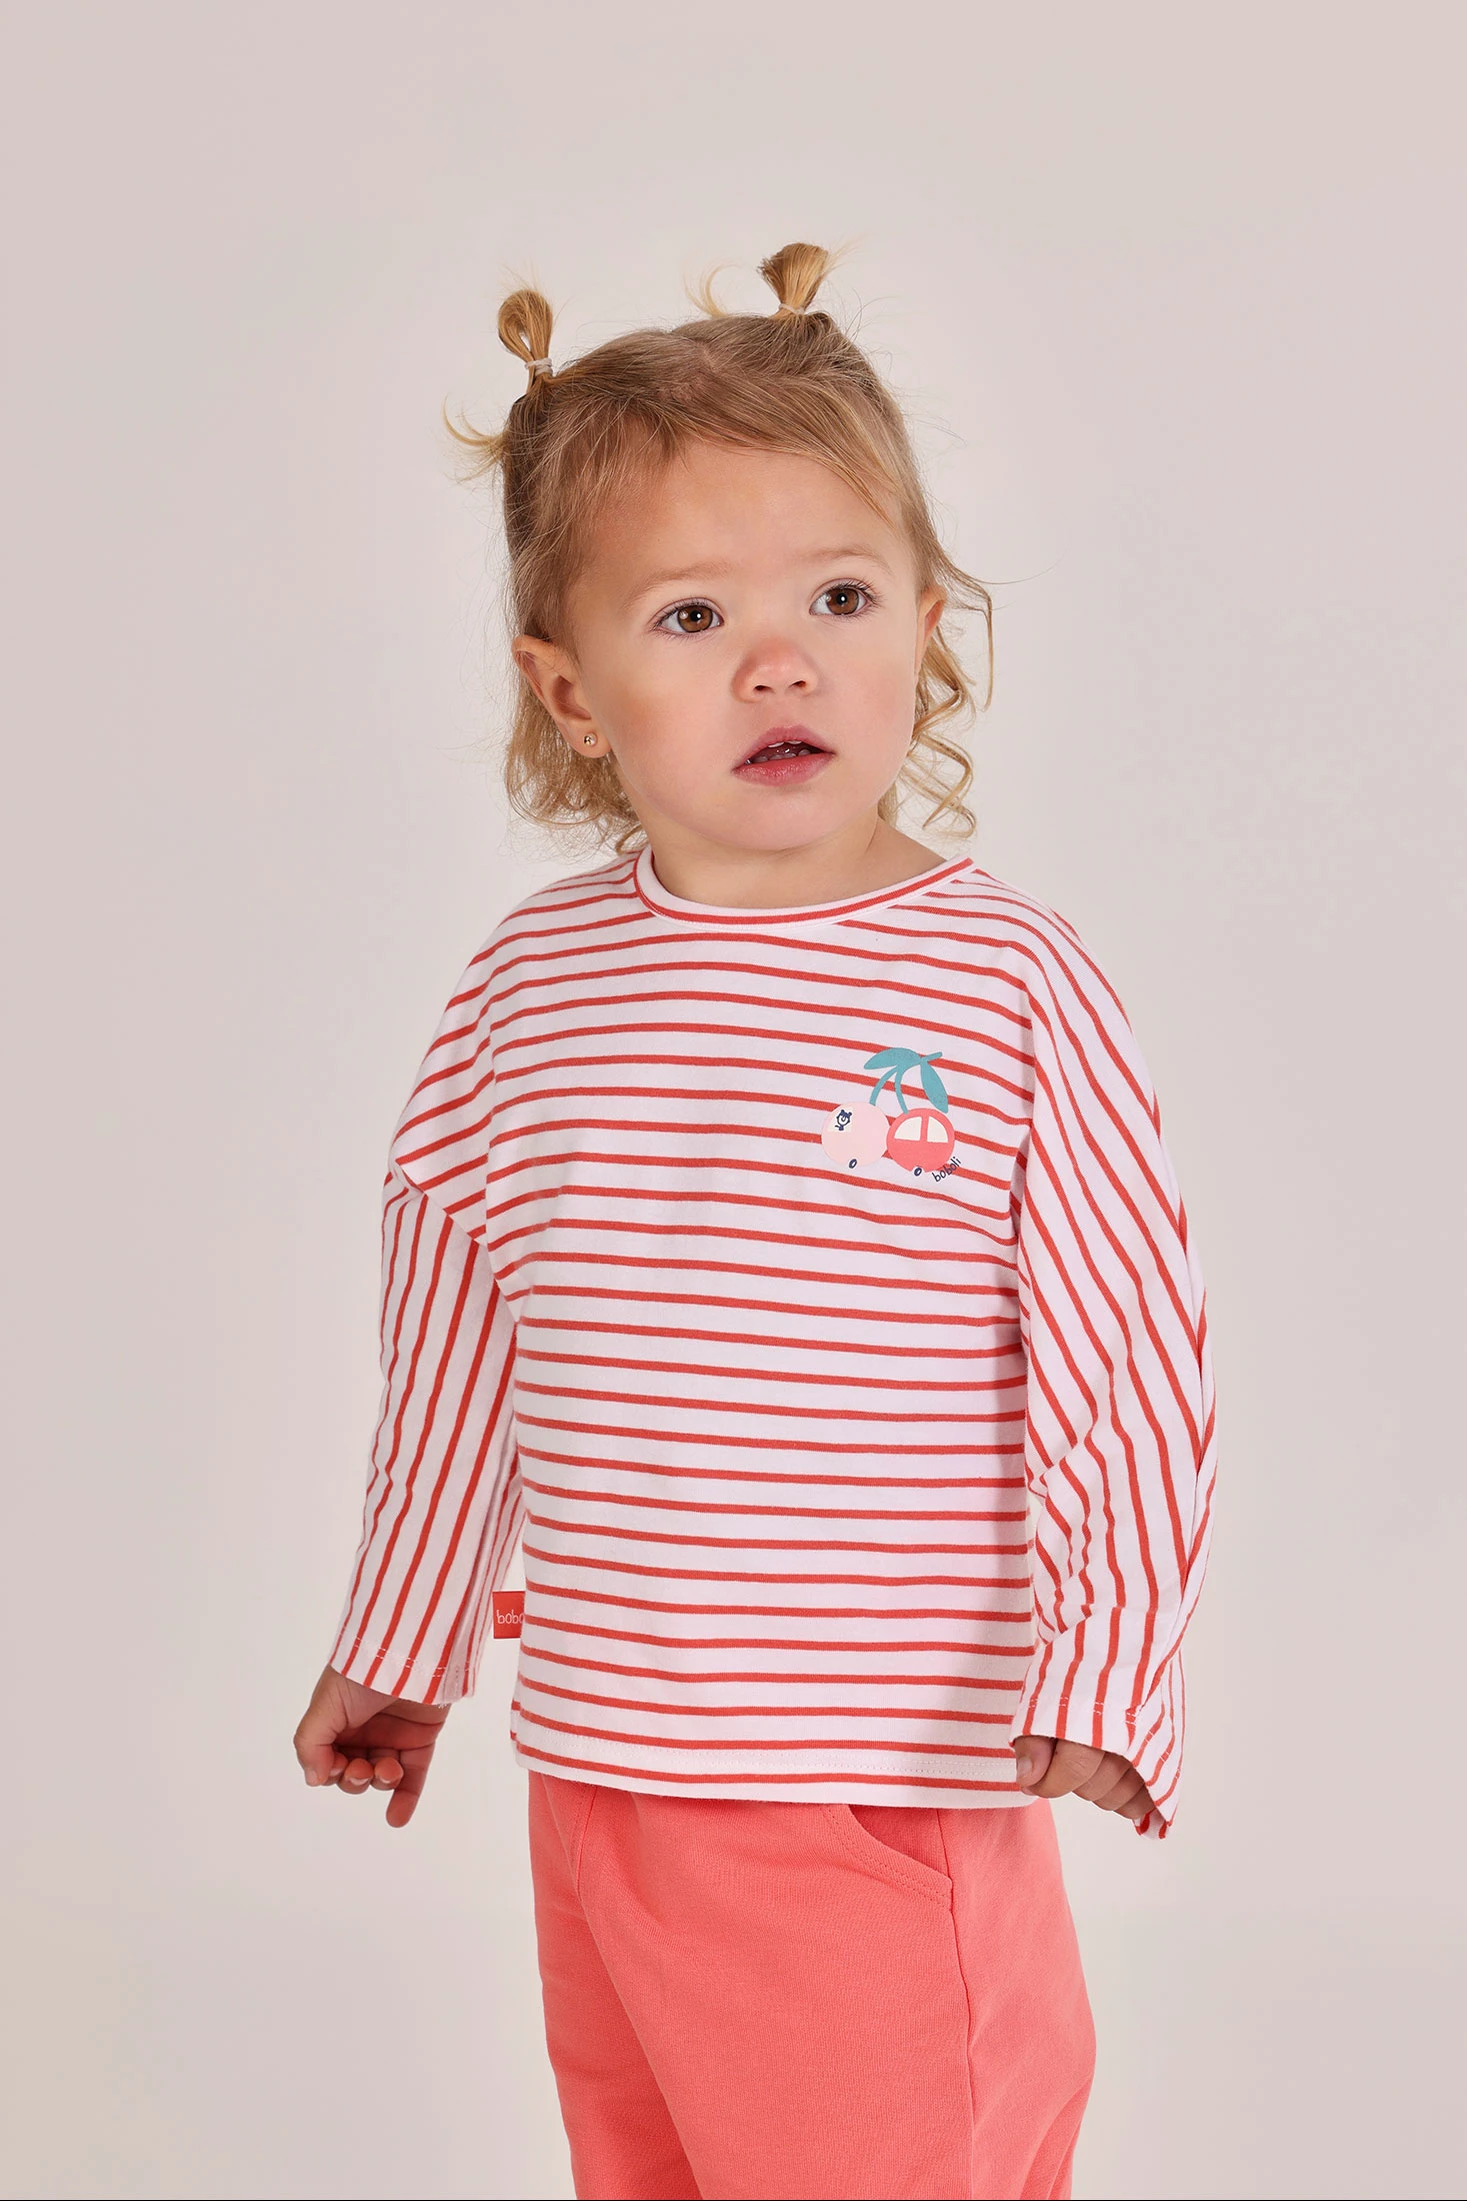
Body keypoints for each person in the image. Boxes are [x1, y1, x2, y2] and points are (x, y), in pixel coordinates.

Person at [293, 243, 1216, 2201]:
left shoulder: (1005, 983)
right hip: (605, 1764)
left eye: (837, 599)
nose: (778, 660)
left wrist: (1109, 1660)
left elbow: (1126, 1352)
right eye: (693, 614)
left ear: (925, 632)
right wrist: (401, 1635)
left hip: (869, 1770)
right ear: (569, 687)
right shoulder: (528, 987)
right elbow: (456, 1327)